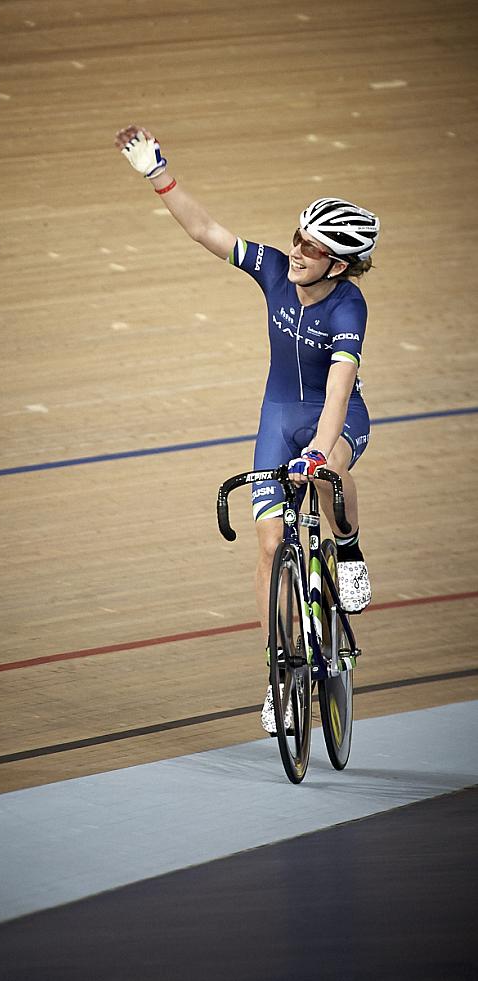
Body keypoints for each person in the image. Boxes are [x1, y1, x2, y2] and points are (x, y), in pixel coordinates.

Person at [115, 124, 380, 733]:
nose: (296, 251)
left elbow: (338, 388)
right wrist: (160, 174)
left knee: (330, 468)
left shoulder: (348, 307)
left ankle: (350, 552)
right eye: (296, 238)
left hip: (333, 421)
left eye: (310, 249)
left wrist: (317, 448)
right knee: (268, 547)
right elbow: (207, 231)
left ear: (337, 264)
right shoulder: (275, 274)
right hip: (277, 422)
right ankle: (277, 677)